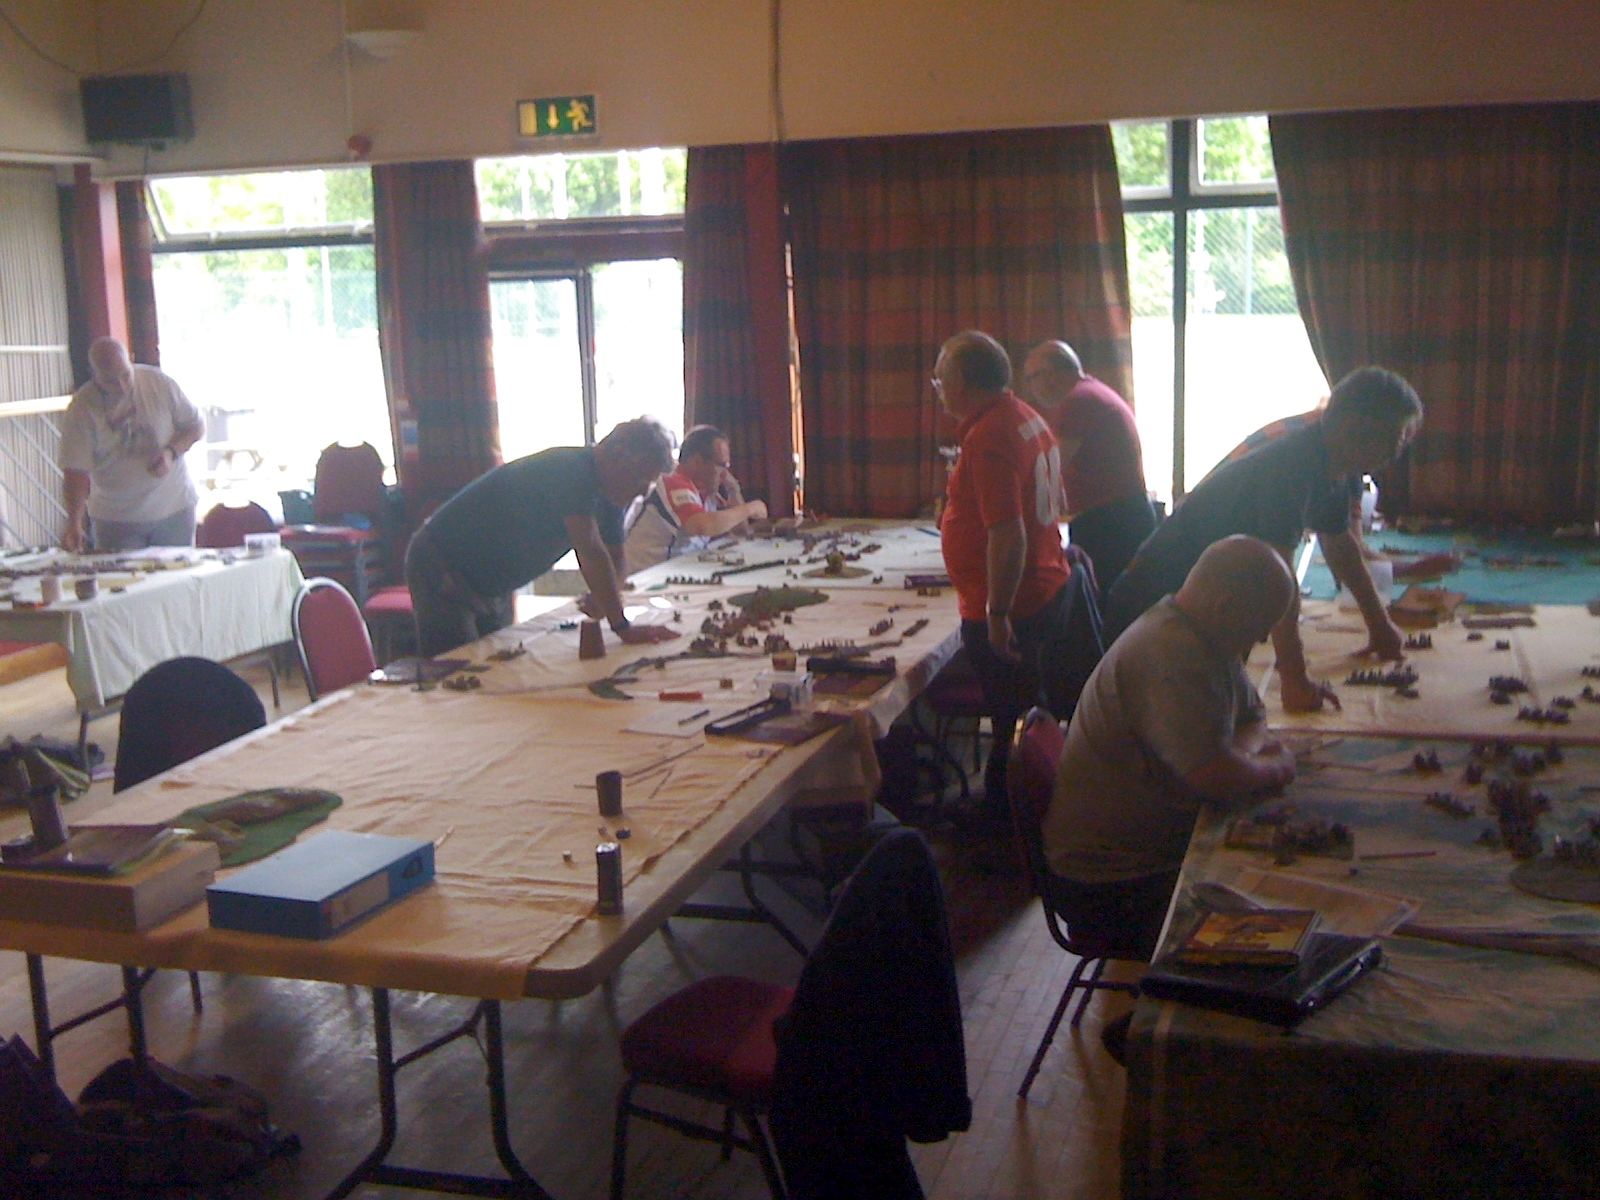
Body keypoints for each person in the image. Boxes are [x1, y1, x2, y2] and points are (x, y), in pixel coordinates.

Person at [1103, 366, 1424, 713]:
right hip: (1151, 611)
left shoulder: (1335, 464)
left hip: (1199, 606)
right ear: (1356, 428)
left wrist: (1379, 625)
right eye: (1395, 438)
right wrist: (1295, 678)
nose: (1397, 451)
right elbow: (1279, 578)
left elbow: (1340, 547)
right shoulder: (1292, 464)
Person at [1041, 535, 1298, 959]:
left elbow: (1252, 717)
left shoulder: (1204, 632)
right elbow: (1215, 778)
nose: (1262, 640)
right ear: (1225, 607)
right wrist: (1274, 768)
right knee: (1287, 908)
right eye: (1258, 628)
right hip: (1110, 885)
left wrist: (1239, 758)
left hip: (1139, 856)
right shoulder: (1173, 653)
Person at [935, 330, 1102, 818]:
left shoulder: (991, 435)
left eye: (941, 378)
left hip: (1017, 599)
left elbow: (1008, 534)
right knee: (1023, 709)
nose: (938, 389)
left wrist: (997, 612)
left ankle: (1005, 819)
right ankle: (1025, 805)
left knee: (1010, 717)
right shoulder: (1024, 416)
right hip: (1043, 584)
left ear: (963, 380)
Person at [405, 417, 682, 657]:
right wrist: (621, 626)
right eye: (640, 480)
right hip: (442, 565)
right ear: (618, 457)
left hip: (488, 581)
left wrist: (607, 598)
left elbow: (616, 558)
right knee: (454, 672)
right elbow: (591, 552)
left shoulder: (609, 492)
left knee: (493, 665)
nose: (642, 493)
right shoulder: (573, 470)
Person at [1021, 340, 1155, 596]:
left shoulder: (1077, 401)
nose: (1030, 388)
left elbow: (1050, 469)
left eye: (1031, 378)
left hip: (1110, 523)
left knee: (1099, 605)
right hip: (1120, 517)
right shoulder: (1090, 393)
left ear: (1051, 374)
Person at [59, 337, 205, 552]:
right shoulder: (82, 408)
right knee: (119, 573)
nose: (121, 386)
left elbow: (196, 426)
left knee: (178, 573)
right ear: (94, 374)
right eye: (110, 381)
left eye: (126, 375)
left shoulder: (159, 383)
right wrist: (73, 523)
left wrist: (170, 452)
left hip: (174, 508)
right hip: (116, 519)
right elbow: (75, 472)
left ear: (132, 360)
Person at [621, 424, 768, 576]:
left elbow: (740, 530)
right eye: (721, 465)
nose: (725, 473)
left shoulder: (706, 490)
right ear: (698, 461)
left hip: (674, 571)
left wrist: (733, 488)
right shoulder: (672, 481)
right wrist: (751, 508)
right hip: (645, 576)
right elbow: (703, 526)